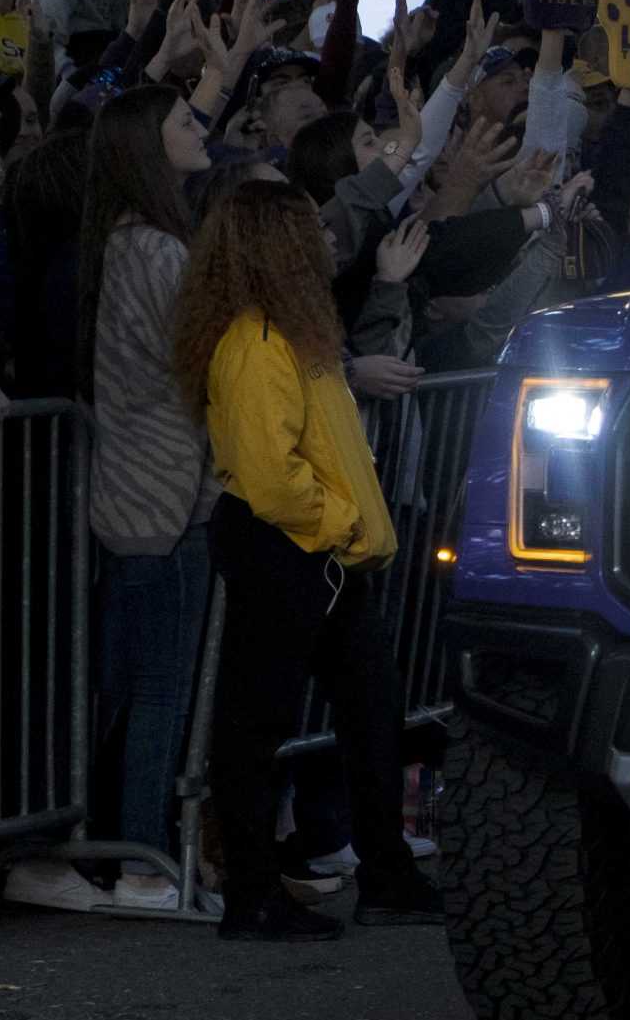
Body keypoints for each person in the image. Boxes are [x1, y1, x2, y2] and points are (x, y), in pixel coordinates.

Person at [170, 180, 441, 940]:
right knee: (258, 725)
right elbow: (271, 476)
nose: (329, 240)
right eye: (312, 230)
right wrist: (345, 525)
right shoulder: (257, 342)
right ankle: (254, 894)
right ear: (278, 248)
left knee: (369, 712)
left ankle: (383, 873)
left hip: (317, 552)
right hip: (294, 549)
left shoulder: (288, 334)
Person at [79, 86, 218, 907]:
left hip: (136, 496)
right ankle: (140, 858)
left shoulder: (127, 243)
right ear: (146, 145)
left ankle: (117, 851)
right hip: (166, 498)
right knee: (160, 685)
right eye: (182, 120)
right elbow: (198, 363)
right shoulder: (158, 251)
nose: (197, 129)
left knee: (132, 685)